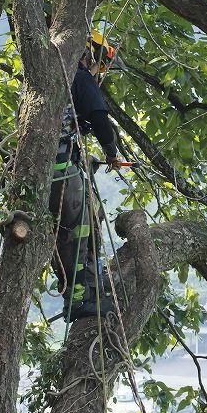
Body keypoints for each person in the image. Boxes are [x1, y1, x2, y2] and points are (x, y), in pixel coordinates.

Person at [50, 30, 126, 321]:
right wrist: (110, 152)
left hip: (55, 168)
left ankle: (89, 287)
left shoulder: (55, 78)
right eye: (99, 66)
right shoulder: (79, 77)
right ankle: (78, 301)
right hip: (61, 171)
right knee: (78, 233)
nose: (98, 73)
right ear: (89, 56)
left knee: (84, 228)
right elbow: (100, 120)